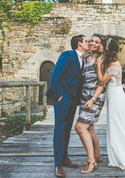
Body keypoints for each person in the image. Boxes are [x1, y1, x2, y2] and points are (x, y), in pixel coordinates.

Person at [45, 34, 89, 178]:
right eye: (86, 41)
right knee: (60, 130)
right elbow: (56, 75)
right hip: (63, 99)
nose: (88, 43)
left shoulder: (83, 59)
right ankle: (58, 164)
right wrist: (59, 95)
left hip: (73, 100)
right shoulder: (68, 55)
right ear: (79, 44)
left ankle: (64, 158)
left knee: (67, 130)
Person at [97, 38, 125, 171]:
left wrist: (98, 65)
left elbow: (102, 81)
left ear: (107, 48)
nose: (100, 46)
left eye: (101, 44)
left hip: (116, 95)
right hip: (113, 94)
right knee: (114, 124)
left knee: (117, 124)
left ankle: (124, 157)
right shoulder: (109, 62)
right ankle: (115, 156)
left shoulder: (114, 64)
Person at [75, 33, 106, 174]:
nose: (93, 43)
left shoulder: (101, 60)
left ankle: (91, 160)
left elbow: (102, 83)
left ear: (101, 45)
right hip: (84, 96)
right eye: (91, 41)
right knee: (90, 128)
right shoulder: (86, 58)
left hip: (95, 97)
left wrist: (93, 100)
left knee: (80, 127)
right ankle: (98, 155)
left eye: (96, 42)